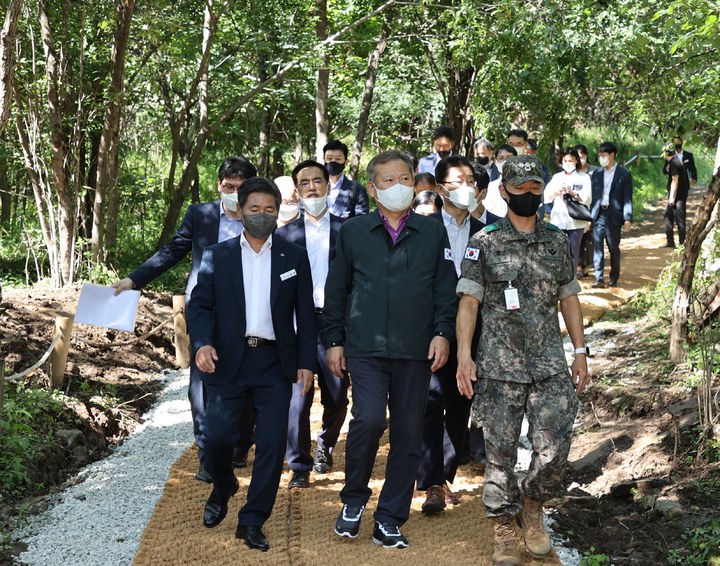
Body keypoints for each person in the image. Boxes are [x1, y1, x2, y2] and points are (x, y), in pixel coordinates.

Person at [455, 155, 589, 565]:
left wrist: (580, 353)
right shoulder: (485, 241)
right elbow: (468, 303)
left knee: (553, 449)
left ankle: (532, 506)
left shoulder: (555, 240)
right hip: (498, 366)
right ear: (503, 191)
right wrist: (464, 355)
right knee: (499, 453)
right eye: (520, 188)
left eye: (535, 188)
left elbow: (568, 296)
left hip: (549, 362)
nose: (528, 195)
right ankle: (503, 529)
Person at [322, 150, 457, 548]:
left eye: (405, 179)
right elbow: (336, 290)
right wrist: (334, 339)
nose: (398, 187)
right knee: (367, 421)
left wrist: (442, 332)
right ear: (371, 187)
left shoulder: (432, 231)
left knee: (408, 432)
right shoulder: (353, 232)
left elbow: (444, 289)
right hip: (365, 348)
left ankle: (390, 516)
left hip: (416, 350)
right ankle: (353, 500)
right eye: (388, 180)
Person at [187, 177, 317, 552]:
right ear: (240, 210)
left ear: (279, 212)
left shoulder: (293, 256)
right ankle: (223, 484)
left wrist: (306, 362)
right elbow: (199, 306)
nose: (262, 215)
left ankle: (252, 519)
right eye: (255, 209)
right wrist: (202, 343)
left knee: (273, 445)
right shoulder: (219, 254)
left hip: (275, 363)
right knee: (217, 439)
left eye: (270, 210)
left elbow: (305, 314)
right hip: (229, 360)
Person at [112, 156, 257, 482]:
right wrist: (133, 280)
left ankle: (241, 441)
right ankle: (207, 453)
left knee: (247, 381)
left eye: (241, 187)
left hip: (250, 310)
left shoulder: (261, 216)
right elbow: (173, 250)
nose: (234, 192)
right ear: (218, 185)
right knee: (201, 382)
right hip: (205, 307)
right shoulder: (201, 214)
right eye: (228, 186)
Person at [416, 155, 492, 515]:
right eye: (456, 182)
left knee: (461, 402)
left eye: (470, 181)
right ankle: (431, 482)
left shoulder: (488, 229)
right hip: (433, 328)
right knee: (431, 401)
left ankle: (445, 476)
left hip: (478, 330)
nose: (466, 188)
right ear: (440, 188)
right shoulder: (424, 228)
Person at [274, 160, 348, 489]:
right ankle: (299, 464)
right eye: (305, 183)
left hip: (337, 325)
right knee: (297, 398)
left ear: (328, 186)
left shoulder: (350, 231)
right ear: (297, 190)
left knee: (337, 397)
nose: (312, 187)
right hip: (298, 327)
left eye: (318, 181)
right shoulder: (283, 235)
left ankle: (325, 445)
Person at [590, 141, 633, 288]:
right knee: (597, 246)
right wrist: (590, 216)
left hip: (614, 215)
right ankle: (599, 278)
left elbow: (627, 197)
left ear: (612, 155)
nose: (601, 158)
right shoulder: (596, 173)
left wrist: (628, 218)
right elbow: (593, 196)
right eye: (600, 155)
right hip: (598, 213)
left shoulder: (624, 174)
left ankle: (614, 277)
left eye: (604, 155)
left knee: (613, 247)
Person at [544, 147, 592, 276]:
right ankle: (556, 277)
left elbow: (588, 198)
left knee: (573, 251)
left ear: (576, 160)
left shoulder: (584, 177)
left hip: (576, 220)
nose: (568, 163)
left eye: (571, 161)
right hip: (558, 219)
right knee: (555, 250)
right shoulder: (557, 177)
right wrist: (556, 192)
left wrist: (573, 193)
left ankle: (570, 280)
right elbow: (546, 196)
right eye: (565, 161)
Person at [323, 139, 370, 219]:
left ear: (346, 162)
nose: (333, 162)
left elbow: (362, 222)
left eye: (338, 159)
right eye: (329, 158)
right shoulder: (314, 187)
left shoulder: (357, 190)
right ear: (324, 160)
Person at [573, 144, 598, 277]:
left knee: (588, 238)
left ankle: (584, 264)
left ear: (586, 155)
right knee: (578, 238)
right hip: (575, 210)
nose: (580, 159)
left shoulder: (595, 171)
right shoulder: (571, 173)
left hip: (592, 207)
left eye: (582, 156)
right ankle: (578, 265)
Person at [662, 143, 691, 248]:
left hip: (679, 194)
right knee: (668, 216)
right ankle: (670, 242)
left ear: (666, 155)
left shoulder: (674, 163)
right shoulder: (673, 161)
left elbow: (675, 181)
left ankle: (682, 243)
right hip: (675, 193)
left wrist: (671, 198)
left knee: (679, 218)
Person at [482, 144, 517, 218]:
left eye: (509, 158)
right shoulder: (490, 187)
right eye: (501, 158)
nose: (505, 161)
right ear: (495, 162)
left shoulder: (526, 184)